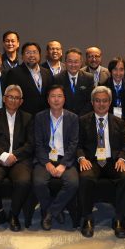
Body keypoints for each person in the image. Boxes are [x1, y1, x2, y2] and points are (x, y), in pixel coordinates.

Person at [76, 85, 125, 238]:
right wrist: (81, 158)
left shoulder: (119, 122)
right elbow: (77, 145)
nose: (101, 104)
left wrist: (122, 159)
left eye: (105, 101)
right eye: (98, 101)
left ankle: (119, 219)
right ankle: (87, 218)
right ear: (92, 102)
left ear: (110, 102)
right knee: (85, 178)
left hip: (112, 160)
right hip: (92, 160)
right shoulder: (83, 121)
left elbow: (124, 146)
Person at [0, 84, 35, 231]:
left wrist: (14, 156)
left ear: (21, 101)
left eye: (17, 98)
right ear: (4, 99)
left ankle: (14, 214)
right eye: (10, 97)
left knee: (24, 181)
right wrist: (3, 155)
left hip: (19, 159)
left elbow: (30, 144)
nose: (13, 100)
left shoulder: (28, 118)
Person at [32, 85, 80, 230]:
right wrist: (47, 163)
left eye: (59, 96)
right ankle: (54, 211)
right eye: (53, 96)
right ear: (48, 100)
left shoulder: (73, 118)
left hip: (65, 159)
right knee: (39, 182)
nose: (56, 99)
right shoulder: (40, 117)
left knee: (73, 183)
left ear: (64, 99)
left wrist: (63, 164)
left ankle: (50, 212)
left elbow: (73, 144)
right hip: (45, 159)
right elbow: (38, 144)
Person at [3, 42, 52, 115]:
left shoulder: (47, 72)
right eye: (28, 53)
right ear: (22, 56)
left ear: (39, 55)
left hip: (44, 116)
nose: (32, 55)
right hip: (24, 117)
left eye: (34, 52)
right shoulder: (14, 73)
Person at [52, 48, 93, 114]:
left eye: (76, 62)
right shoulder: (57, 79)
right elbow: (56, 101)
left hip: (83, 116)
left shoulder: (89, 78)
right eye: (70, 61)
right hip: (64, 116)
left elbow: (90, 100)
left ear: (81, 63)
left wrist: (81, 116)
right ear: (65, 62)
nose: (73, 65)